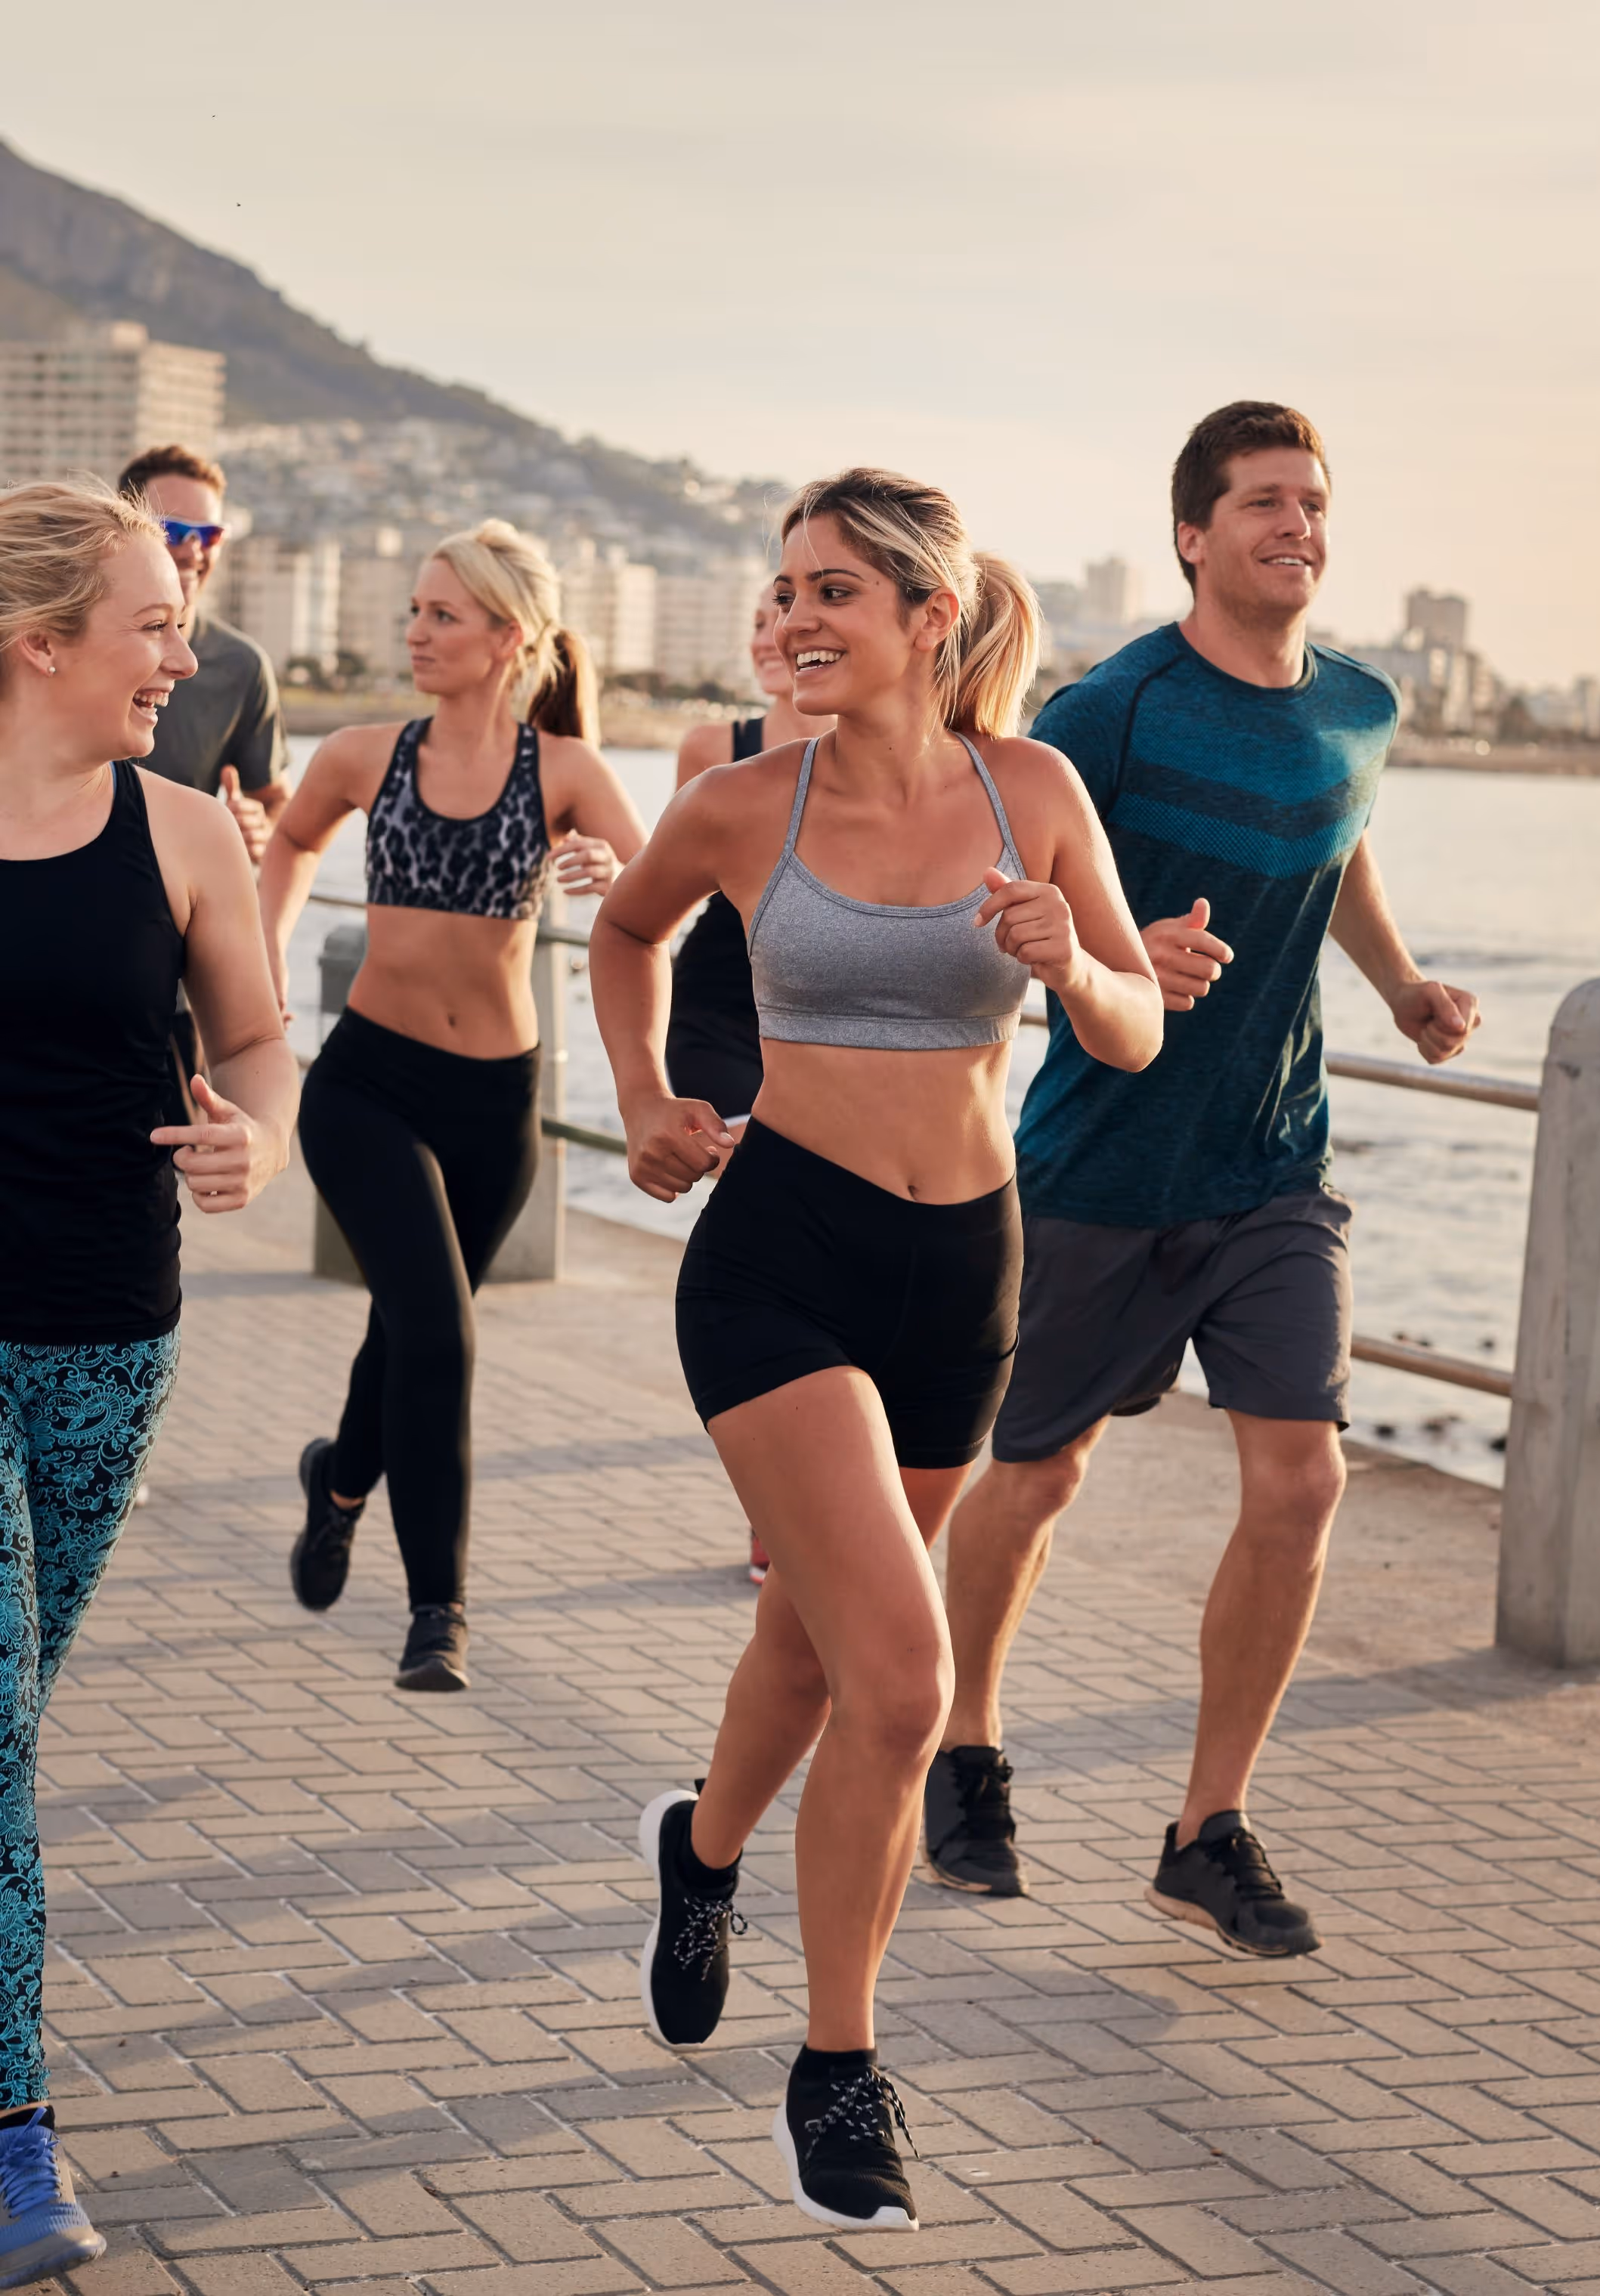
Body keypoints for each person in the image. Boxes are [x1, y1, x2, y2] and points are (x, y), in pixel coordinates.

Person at [590, 469, 1161, 2233]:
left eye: (836, 587)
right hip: (781, 1266)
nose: (798, 615)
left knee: (816, 1648)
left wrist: (1075, 964)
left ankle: (699, 1857)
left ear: (933, 618)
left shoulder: (1038, 792)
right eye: (787, 587)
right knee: (905, 1682)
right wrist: (641, 1100)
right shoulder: (742, 800)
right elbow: (623, 931)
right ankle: (836, 2071)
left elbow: (1134, 1029)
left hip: (962, 1276)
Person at [925, 403, 1480, 1942]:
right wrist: (1116, 951)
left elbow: (1338, 835)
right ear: (1194, 533)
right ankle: (960, 1746)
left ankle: (1208, 1822)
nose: (1295, 525)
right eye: (1262, 504)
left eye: (1313, 503)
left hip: (1271, 1168)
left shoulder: (1360, 705)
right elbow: (999, 886)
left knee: (1304, 1476)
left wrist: (1402, 984)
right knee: (1034, 1476)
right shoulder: (1111, 709)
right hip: (1103, 1163)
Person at [0, 479, 297, 2285]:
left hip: (112, 1322)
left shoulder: (188, 832)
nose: (184, 650)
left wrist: (253, 1146)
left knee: (9, 1722)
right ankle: (17, 2140)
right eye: (150, 622)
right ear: (40, 641)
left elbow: (258, 1042)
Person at [259, 521, 645, 1694]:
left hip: (493, 1108)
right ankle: (440, 1614)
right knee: (438, 1332)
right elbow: (284, 847)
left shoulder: (566, 770)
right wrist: (259, 985)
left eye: (442, 615)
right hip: (365, 1084)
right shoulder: (365, 755)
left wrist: (611, 876)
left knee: (408, 1330)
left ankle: (336, 1481)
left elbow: (660, 900)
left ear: (506, 637)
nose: (416, 632)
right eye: (415, 611)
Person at [668, 583, 832, 1586]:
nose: (775, 631)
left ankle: (819, 1483)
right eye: (765, 612)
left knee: (829, 1255)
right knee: (775, 1246)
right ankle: (774, 1511)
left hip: (817, 1028)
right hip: (722, 1017)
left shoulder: (872, 749)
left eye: (797, 611)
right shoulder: (712, 748)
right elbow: (664, 881)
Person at [117, 444, 290, 1127]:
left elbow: (278, 814)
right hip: (50, 937)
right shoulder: (69, 642)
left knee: (153, 1169)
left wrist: (252, 825)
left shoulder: (241, 668)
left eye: (209, 534)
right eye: (174, 531)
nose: (194, 551)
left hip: (169, 972)